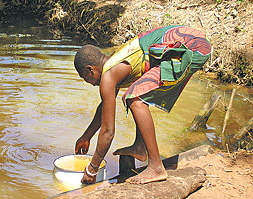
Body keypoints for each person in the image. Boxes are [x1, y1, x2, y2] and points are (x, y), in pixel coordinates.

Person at [74, 25, 211, 184]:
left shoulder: (108, 76)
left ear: (90, 70)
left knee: (134, 97)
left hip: (192, 46)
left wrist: (92, 169)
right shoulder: (114, 63)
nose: (90, 84)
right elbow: (105, 107)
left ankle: (156, 167)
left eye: (86, 79)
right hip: (191, 41)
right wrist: (86, 136)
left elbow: (108, 131)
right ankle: (140, 148)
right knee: (137, 93)